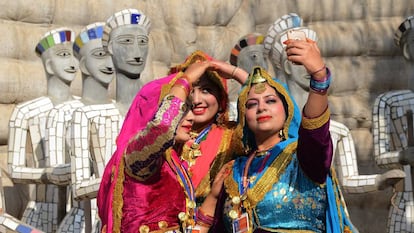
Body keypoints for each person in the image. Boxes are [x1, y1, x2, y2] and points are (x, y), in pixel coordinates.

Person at [199, 37, 357, 232]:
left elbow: (315, 132)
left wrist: (319, 79)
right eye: (251, 104)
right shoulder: (233, 171)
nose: (261, 108)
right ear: (244, 116)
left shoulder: (302, 157)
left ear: (287, 110)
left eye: (271, 101)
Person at [97, 50, 245, 232]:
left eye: (206, 90)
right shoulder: (141, 154)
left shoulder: (172, 159)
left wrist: (235, 73)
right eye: (183, 108)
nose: (194, 109)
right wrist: (184, 81)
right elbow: (163, 128)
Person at [7, 27, 82, 232]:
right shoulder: (25, 111)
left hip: (79, 210)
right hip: (41, 210)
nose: (72, 62)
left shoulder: (86, 109)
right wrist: (51, 174)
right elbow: (14, 170)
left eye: (75, 56)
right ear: (49, 65)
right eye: (64, 55)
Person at [101, 8, 152, 115]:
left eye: (142, 41)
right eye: (127, 41)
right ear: (111, 47)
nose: (137, 53)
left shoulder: (157, 110)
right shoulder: (99, 116)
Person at [228, 33, 269, 121]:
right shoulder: (230, 107)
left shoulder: (279, 91)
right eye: (254, 57)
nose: (263, 66)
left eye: (265, 58)